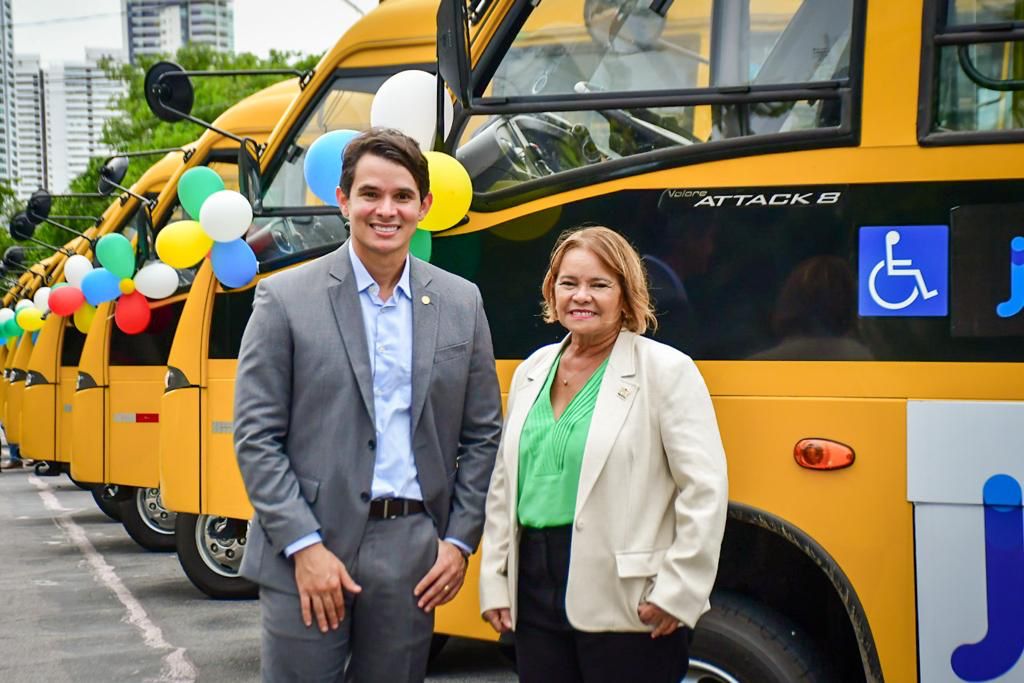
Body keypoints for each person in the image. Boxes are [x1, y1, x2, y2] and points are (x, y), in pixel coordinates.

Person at [233, 128, 503, 682]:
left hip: (410, 550)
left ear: (424, 206)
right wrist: (303, 547)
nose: (387, 210)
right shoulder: (283, 298)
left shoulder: (460, 301)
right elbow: (256, 436)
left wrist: (457, 541)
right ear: (343, 200)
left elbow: (482, 435)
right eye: (371, 194)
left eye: (402, 196)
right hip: (306, 543)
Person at [478, 226, 729, 683]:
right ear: (551, 291)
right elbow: (505, 485)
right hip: (532, 592)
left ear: (626, 294)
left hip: (628, 600)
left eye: (599, 284)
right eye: (569, 283)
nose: (581, 296)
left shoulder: (666, 371)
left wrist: (678, 590)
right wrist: (495, 581)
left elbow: (704, 490)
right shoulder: (532, 370)